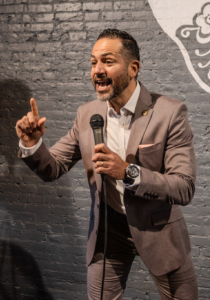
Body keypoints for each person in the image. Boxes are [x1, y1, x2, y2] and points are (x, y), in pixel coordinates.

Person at [15, 29, 198, 300]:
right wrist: (32, 144)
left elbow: (184, 187)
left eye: (108, 61)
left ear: (133, 68)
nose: (97, 70)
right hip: (108, 233)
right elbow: (52, 168)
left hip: (158, 233)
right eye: (93, 62)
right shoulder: (87, 114)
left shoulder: (170, 113)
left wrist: (127, 172)